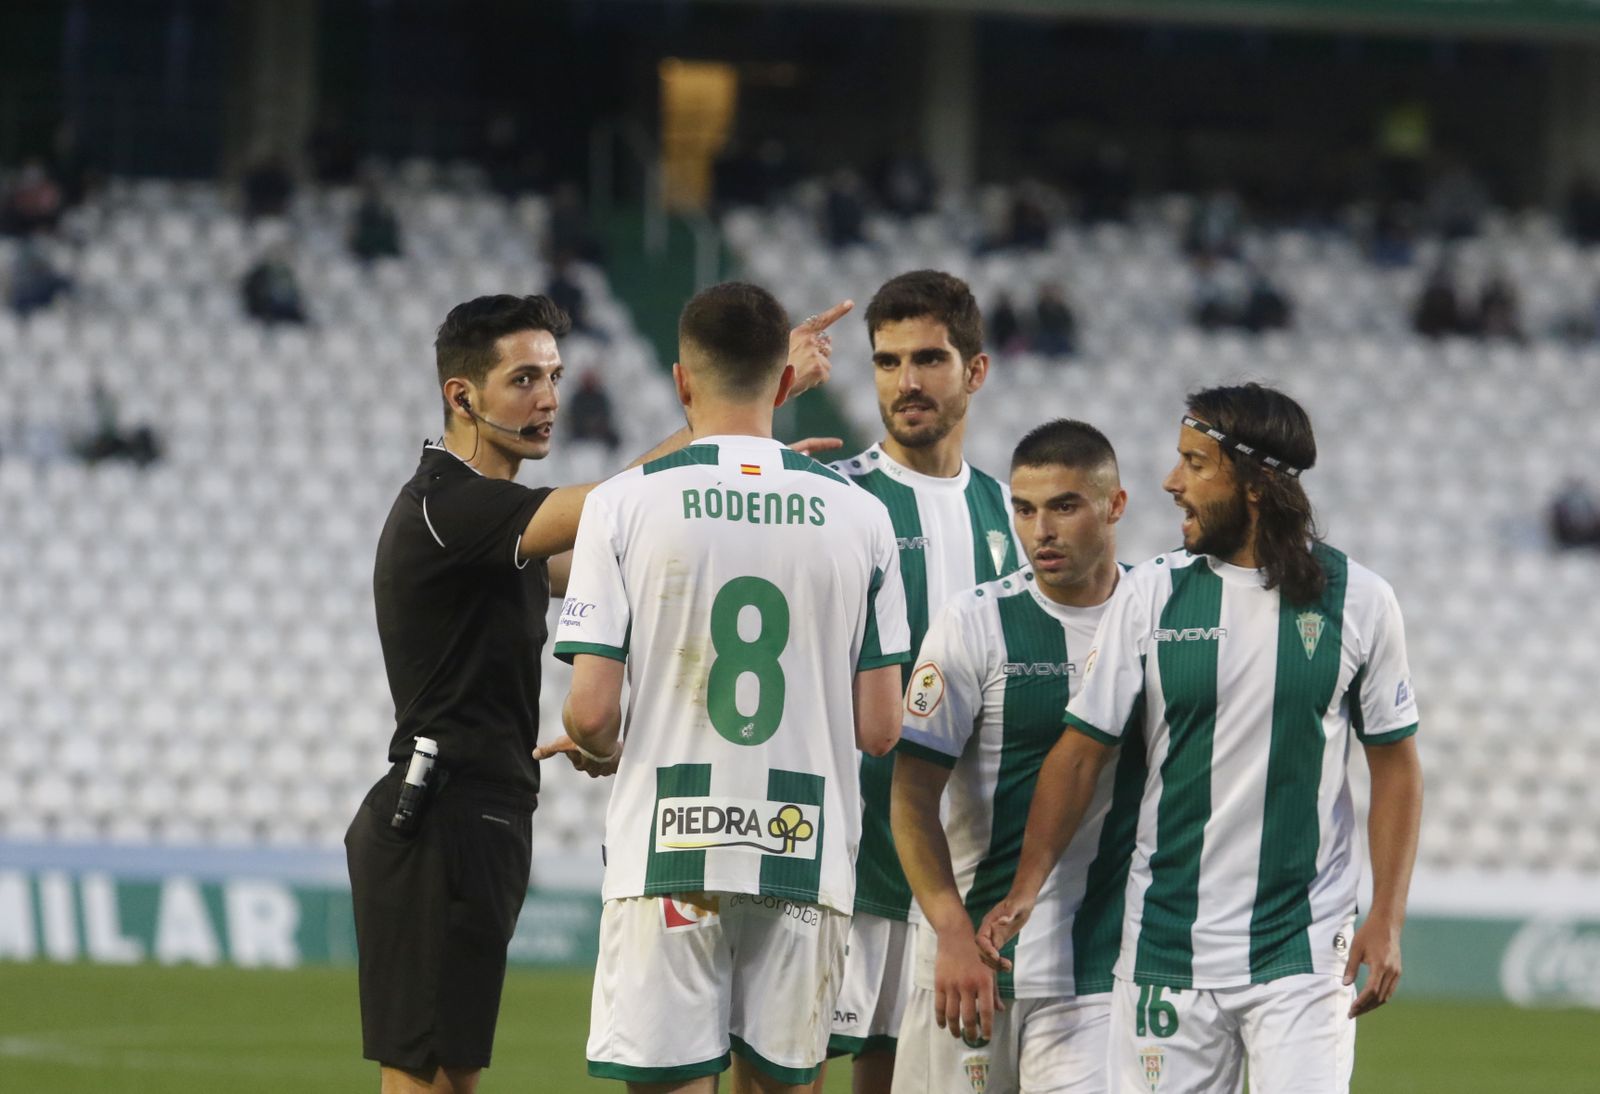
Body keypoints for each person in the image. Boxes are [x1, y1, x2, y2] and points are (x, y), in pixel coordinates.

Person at [345, 292, 846, 1094]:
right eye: (523, 380)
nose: (548, 397)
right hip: (440, 815)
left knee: (452, 1078)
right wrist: (744, 417)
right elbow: (621, 508)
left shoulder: (496, 534)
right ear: (461, 396)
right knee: (427, 1083)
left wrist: (756, 494)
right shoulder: (449, 506)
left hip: (485, 810)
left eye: (554, 375)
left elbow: (626, 553)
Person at [978, 384, 1425, 1094]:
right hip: (1165, 944)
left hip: (1304, 947)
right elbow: (1080, 754)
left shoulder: (1360, 599)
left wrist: (1388, 917)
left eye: (1194, 463)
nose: (1171, 482)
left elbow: (1396, 767)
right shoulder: (1151, 594)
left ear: (1254, 483)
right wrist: (1026, 887)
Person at [542, 281, 912, 1091]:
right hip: (805, 849)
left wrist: (600, 742)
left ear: (681, 382)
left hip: (669, 846)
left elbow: (593, 712)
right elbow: (881, 728)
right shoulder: (863, 515)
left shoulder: (621, 504)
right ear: (784, 384)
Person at [890, 420, 1142, 1094]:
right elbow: (911, 797)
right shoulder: (973, 622)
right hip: (972, 959)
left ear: (1115, 505)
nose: (1042, 531)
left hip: (1097, 970)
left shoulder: (1157, 617)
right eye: (1025, 510)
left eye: (1065, 506)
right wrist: (950, 931)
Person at [824, 270, 1020, 1094]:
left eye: (929, 359)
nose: (906, 381)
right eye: (888, 361)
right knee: (791, 1073)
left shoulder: (1013, 517)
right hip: (842, 856)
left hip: (965, 869)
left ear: (975, 370)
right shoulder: (835, 500)